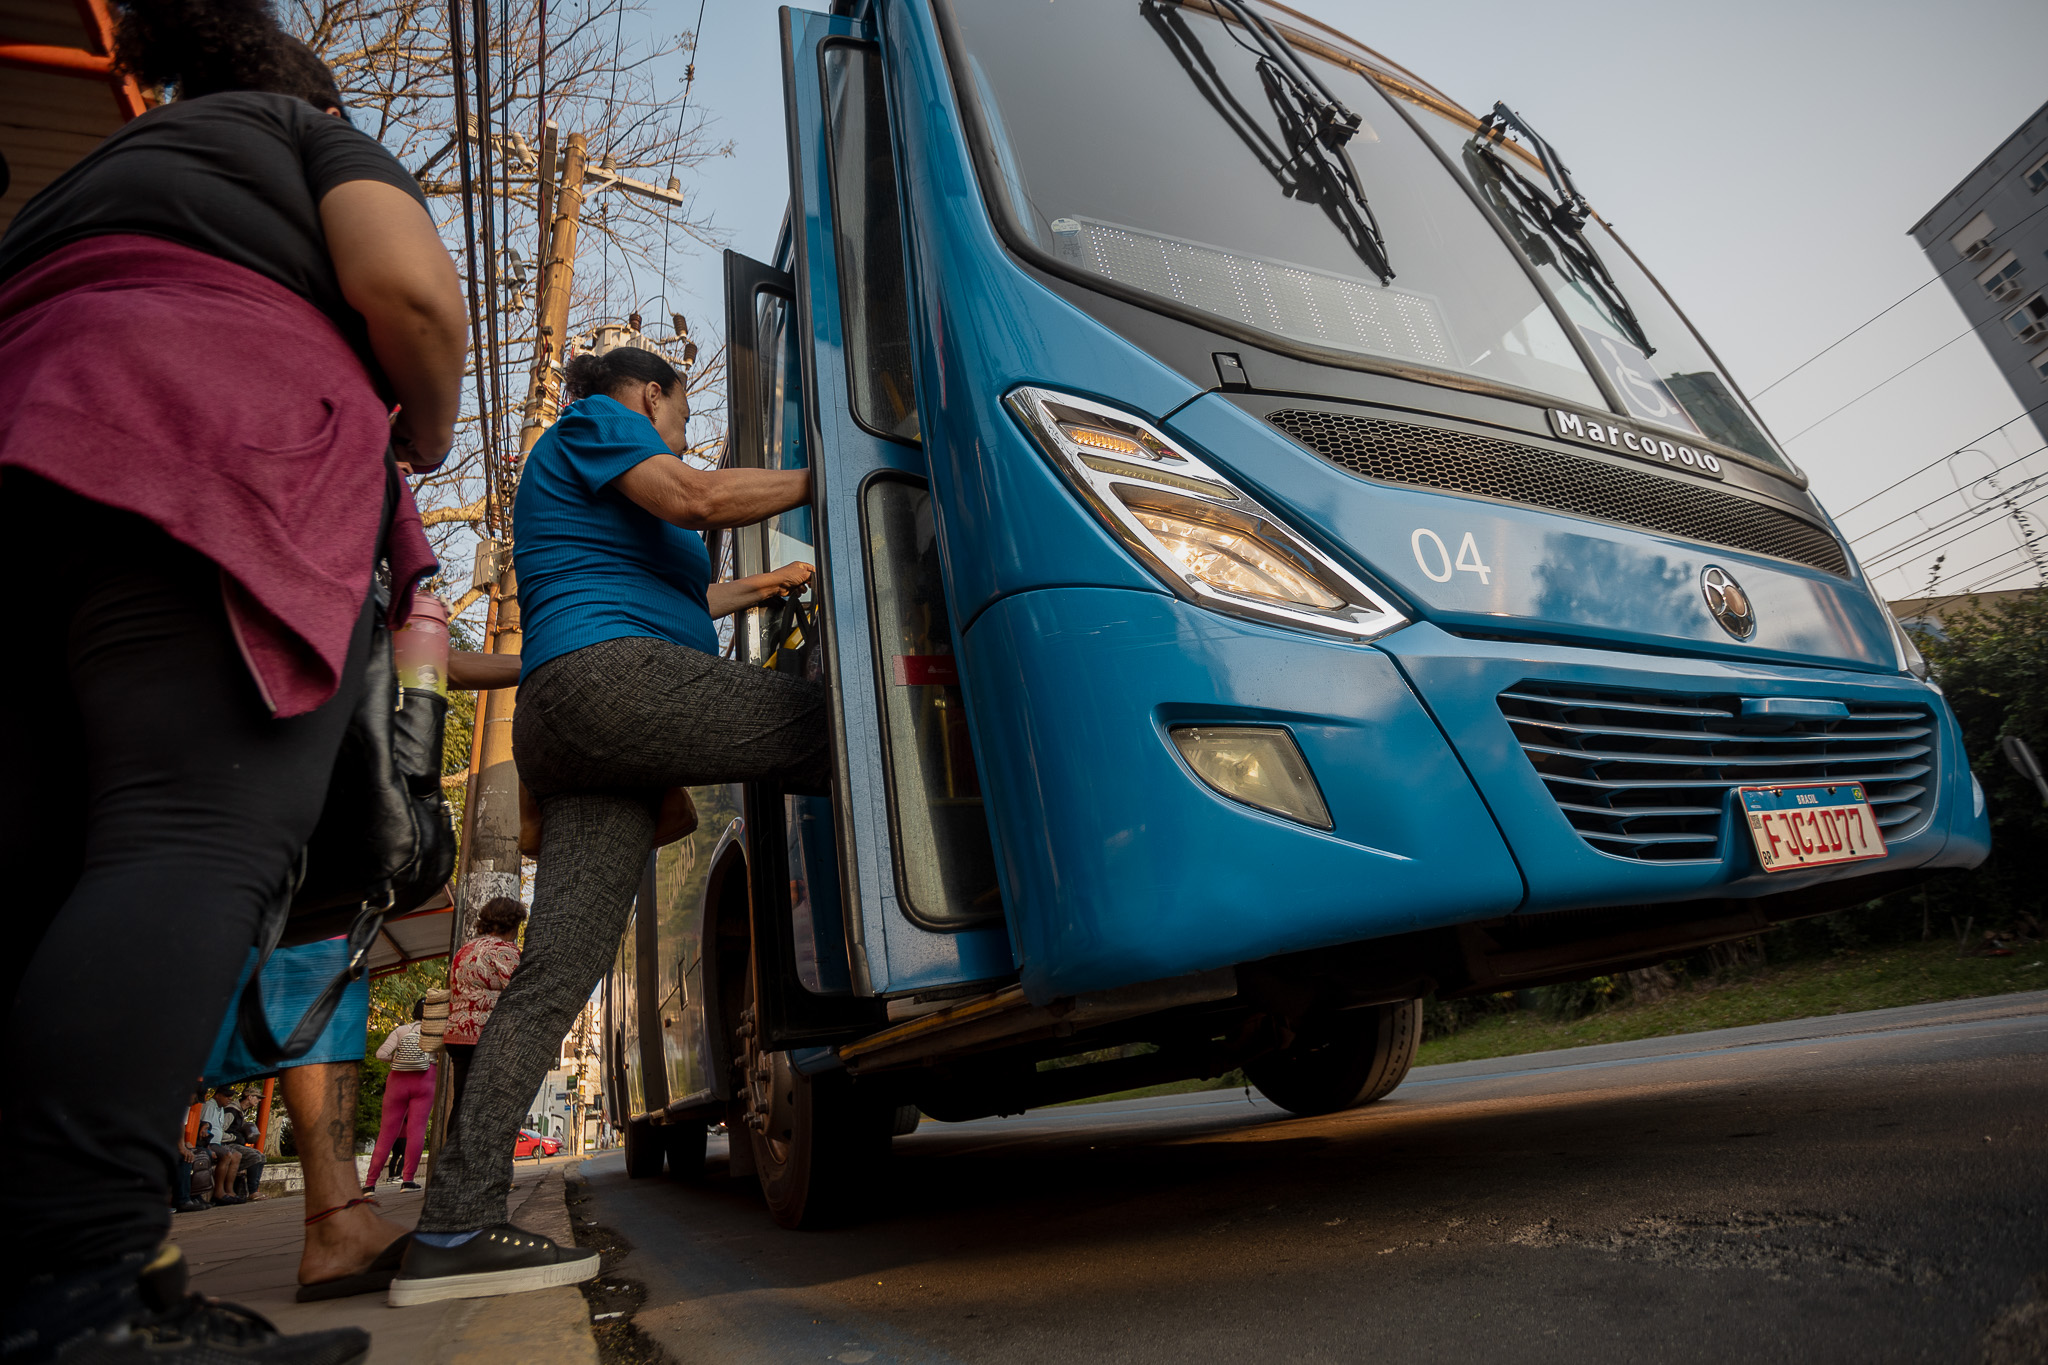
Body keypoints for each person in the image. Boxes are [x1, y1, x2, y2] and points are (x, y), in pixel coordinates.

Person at [0, 0, 467, 1350]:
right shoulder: (301, 130)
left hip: (28, 448)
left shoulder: (94, 175)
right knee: (186, 843)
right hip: (208, 449)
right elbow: (413, 296)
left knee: (41, 880)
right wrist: (421, 433)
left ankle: (128, 1279)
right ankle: (72, 1304)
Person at [394, 345, 822, 1305]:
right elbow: (699, 499)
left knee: (552, 977)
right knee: (835, 728)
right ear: (650, 393)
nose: (676, 433)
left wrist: (760, 587)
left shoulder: (589, 497)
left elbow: (672, 599)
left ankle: (454, 1224)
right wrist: (826, 472)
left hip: (584, 713)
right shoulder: (597, 420)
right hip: (616, 690)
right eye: (678, 412)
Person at [442, 896, 527, 1131]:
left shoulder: (465, 950)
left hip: (456, 1036)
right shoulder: (504, 951)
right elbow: (518, 989)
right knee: (484, 1106)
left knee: (461, 1102)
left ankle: (452, 1156)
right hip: (484, 1036)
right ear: (511, 924)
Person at [365, 1001, 437, 1192]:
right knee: (416, 1131)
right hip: (425, 1079)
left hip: (397, 1081)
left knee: (386, 1133)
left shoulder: (401, 1030)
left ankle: (369, 1184)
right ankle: (407, 1180)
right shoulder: (436, 1032)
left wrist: (397, 1059)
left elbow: (381, 1054)